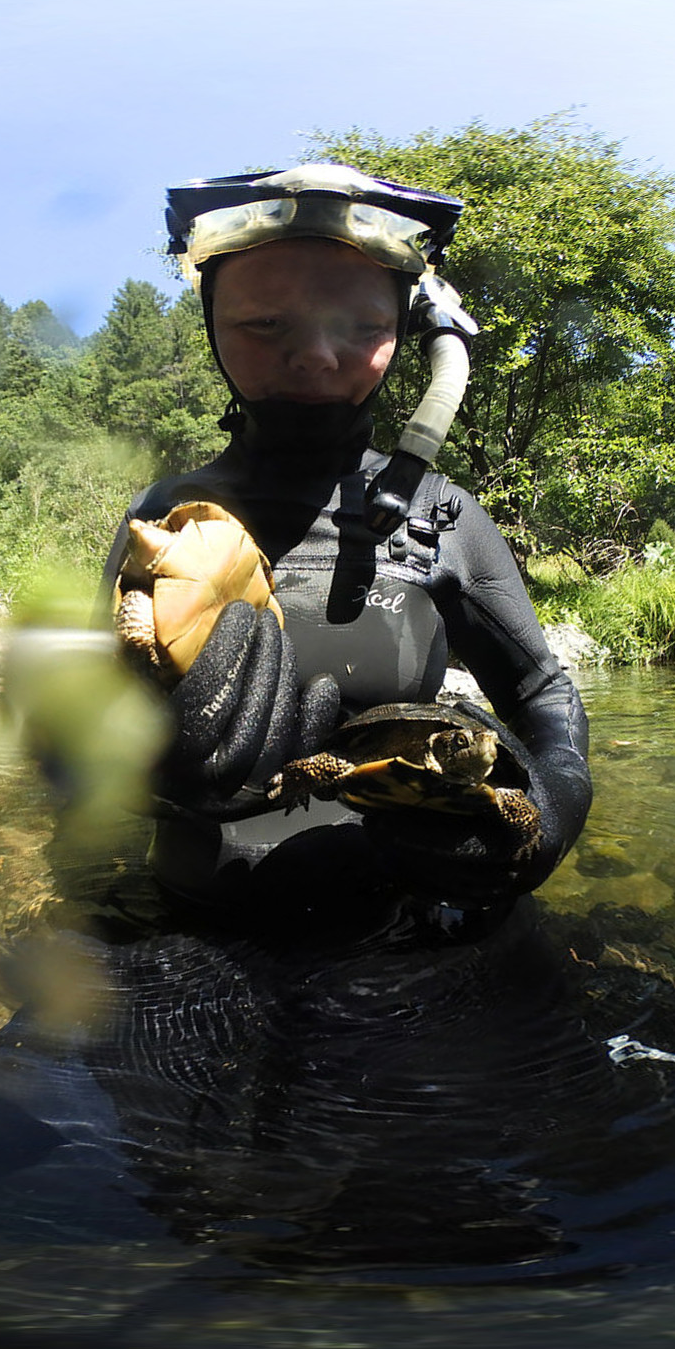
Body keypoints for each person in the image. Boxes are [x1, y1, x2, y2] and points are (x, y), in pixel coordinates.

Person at [107, 164, 590, 923]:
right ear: (214, 326)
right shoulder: (167, 519)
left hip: (411, 926)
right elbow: (85, 728)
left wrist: (553, 811)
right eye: (266, 325)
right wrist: (152, 768)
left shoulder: (439, 513)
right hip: (193, 916)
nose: (318, 357)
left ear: (402, 333)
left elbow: (540, 694)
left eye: (363, 328)